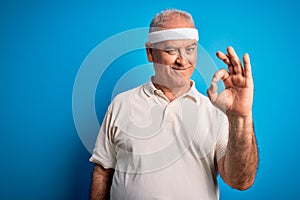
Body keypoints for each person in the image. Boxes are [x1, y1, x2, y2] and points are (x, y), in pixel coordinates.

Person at [89, 9, 258, 200]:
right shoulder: (121, 104)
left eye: (190, 49)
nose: (182, 60)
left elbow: (240, 181)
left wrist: (241, 118)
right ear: (150, 52)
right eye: (171, 50)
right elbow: (103, 171)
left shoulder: (217, 111)